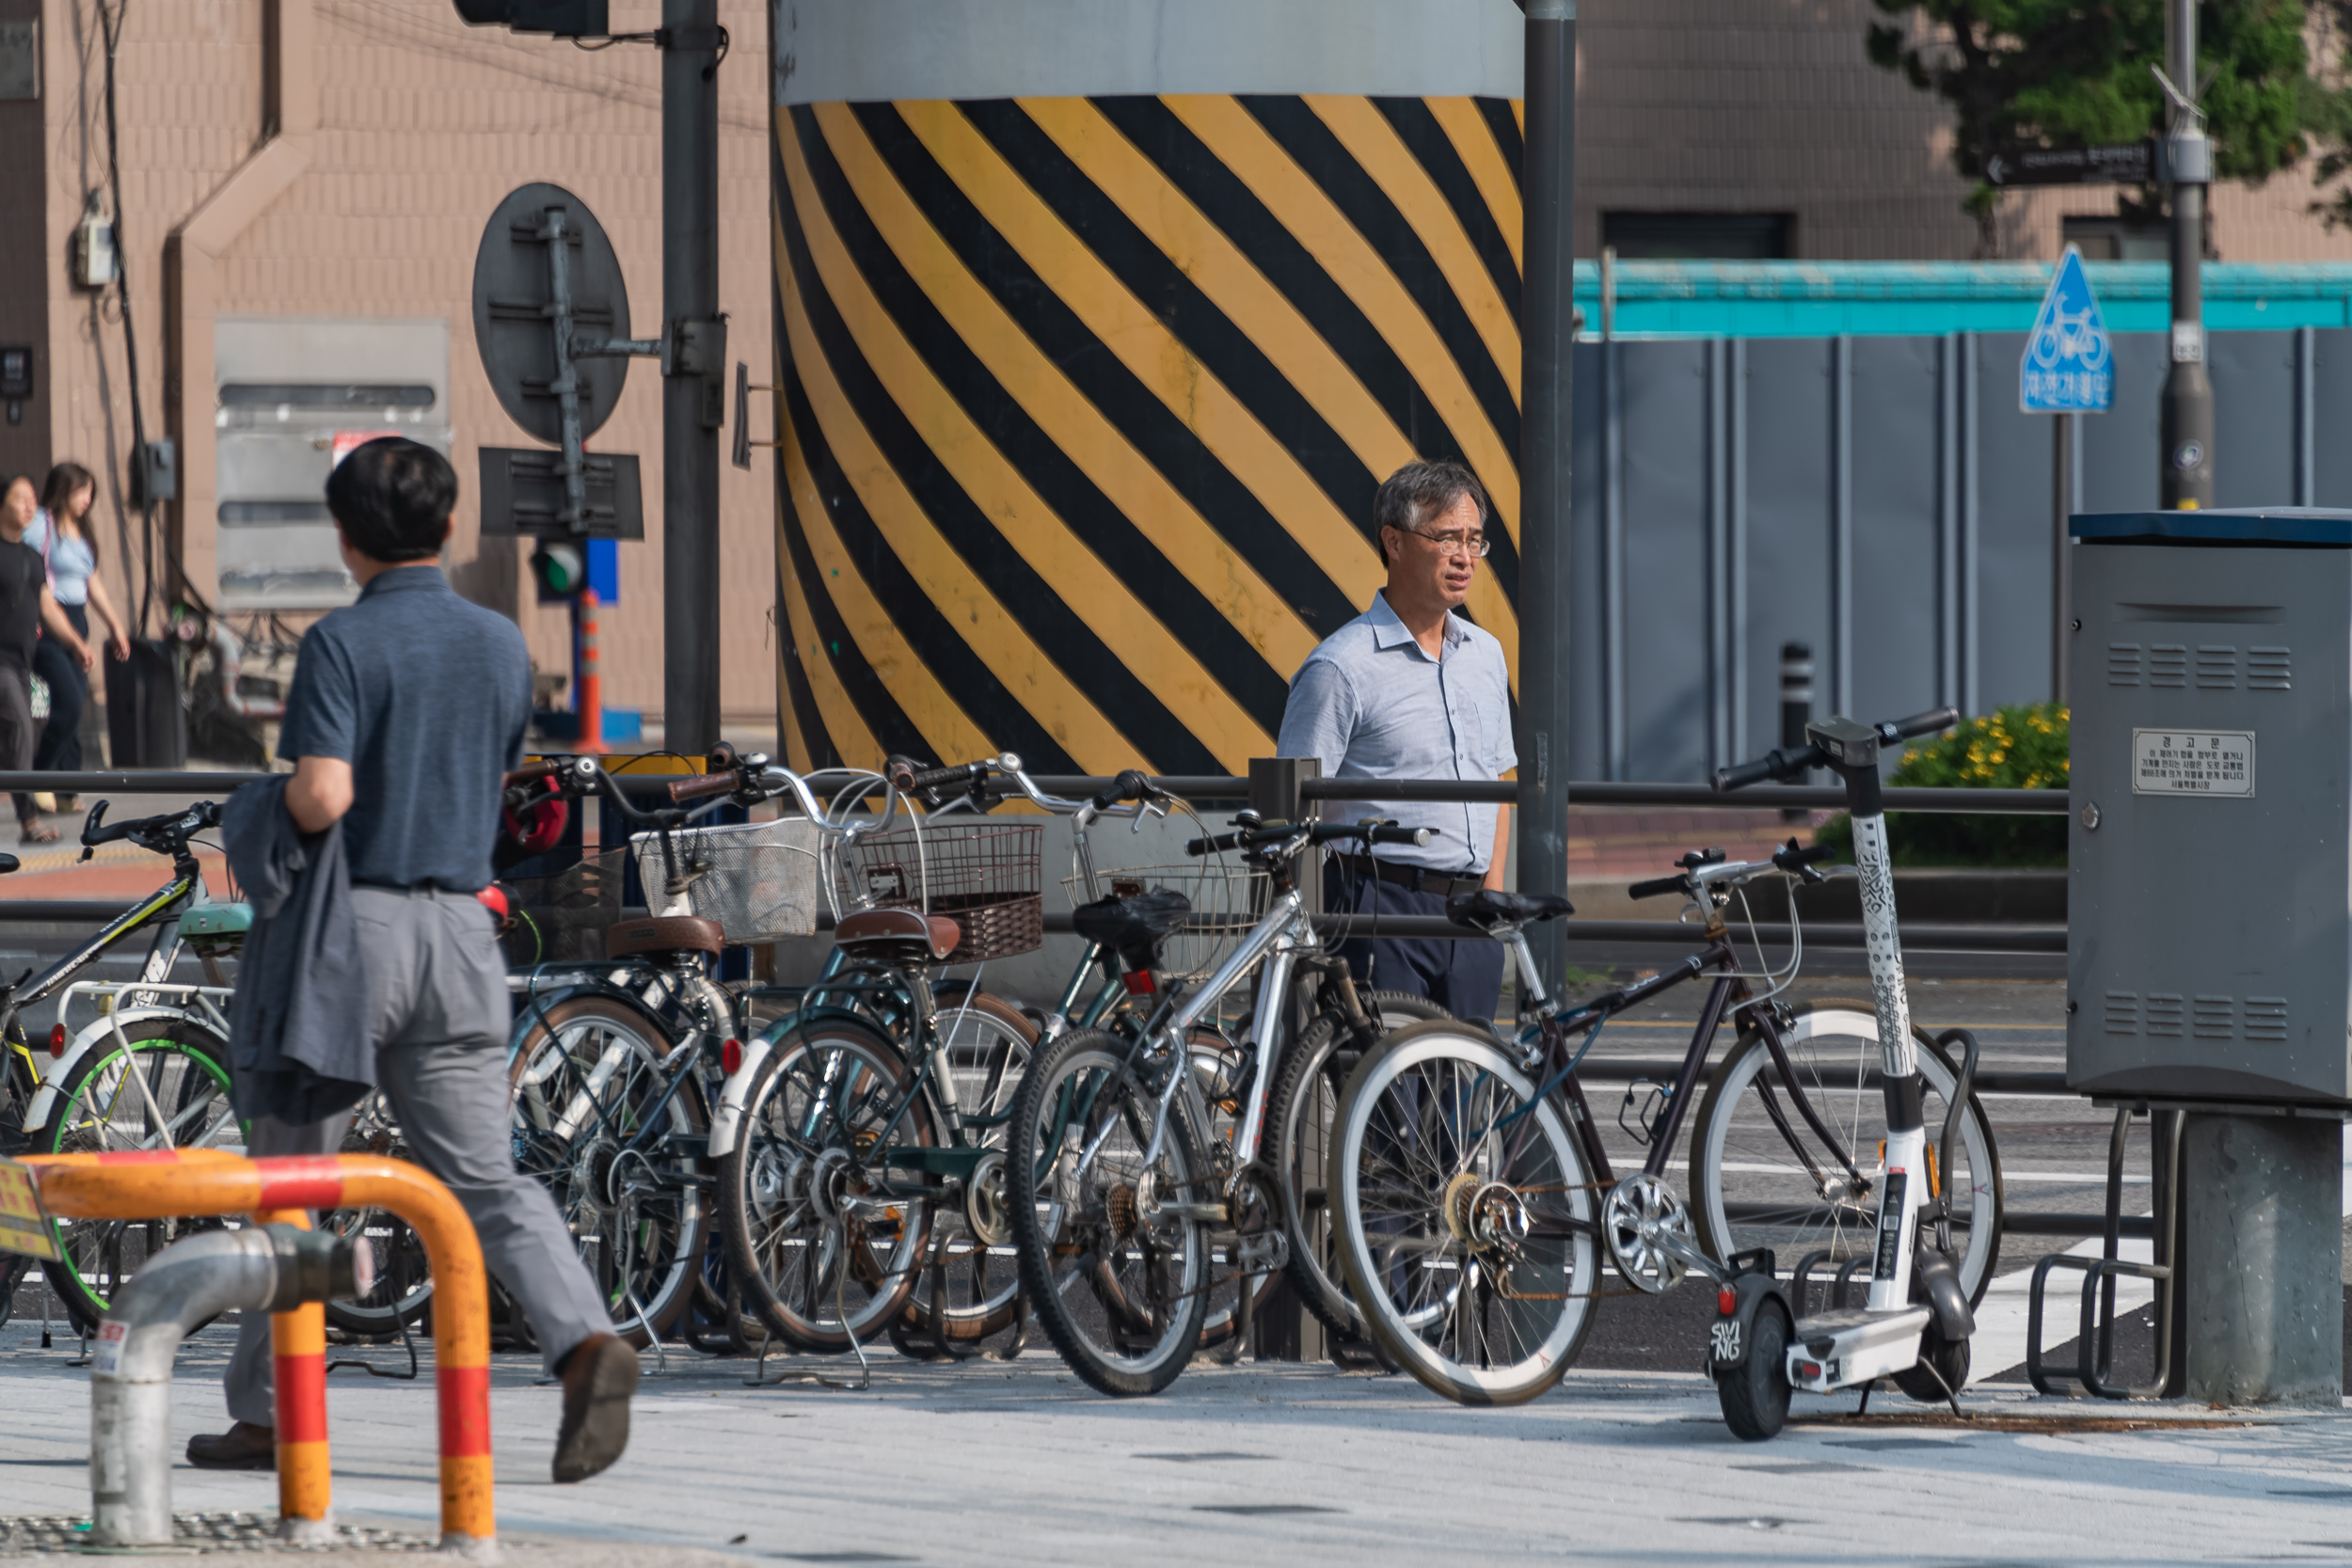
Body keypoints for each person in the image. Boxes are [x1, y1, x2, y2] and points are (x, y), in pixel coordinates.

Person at [187, 437, 637, 1482]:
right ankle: (583, 1340)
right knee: (486, 1175)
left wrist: (259, 804)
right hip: (461, 931)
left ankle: (267, 1411)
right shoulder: (497, 646)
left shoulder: (343, 644)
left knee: (292, 1175)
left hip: (356, 934)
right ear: (445, 527)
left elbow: (323, 795)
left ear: (345, 539)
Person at [1274, 460, 1516, 1022]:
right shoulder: (1340, 666)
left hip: (1472, 913)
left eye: (1475, 540)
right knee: (1387, 1099)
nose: (1464, 556)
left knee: (1464, 1099)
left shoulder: (1485, 654)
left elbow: (1498, 775)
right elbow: (1289, 804)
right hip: (1380, 907)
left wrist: (1494, 890)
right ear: (1395, 542)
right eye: (1447, 537)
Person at [0, 476, 95, 845]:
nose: (29, 505)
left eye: (32, 499)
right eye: (19, 497)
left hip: (21, 664)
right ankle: (29, 821)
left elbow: (46, 606)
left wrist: (76, 643)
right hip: (1, 664)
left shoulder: (30, 557)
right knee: (21, 729)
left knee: (14, 735)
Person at [26, 463, 133, 786]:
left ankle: (66, 785)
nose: (87, 499)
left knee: (72, 707)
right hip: (48, 622)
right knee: (69, 704)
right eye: (81, 491)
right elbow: (25, 571)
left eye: (90, 492)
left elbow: (93, 583)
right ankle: (34, 779)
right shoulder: (39, 525)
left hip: (77, 619)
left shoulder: (81, 532)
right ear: (63, 491)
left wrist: (115, 626)